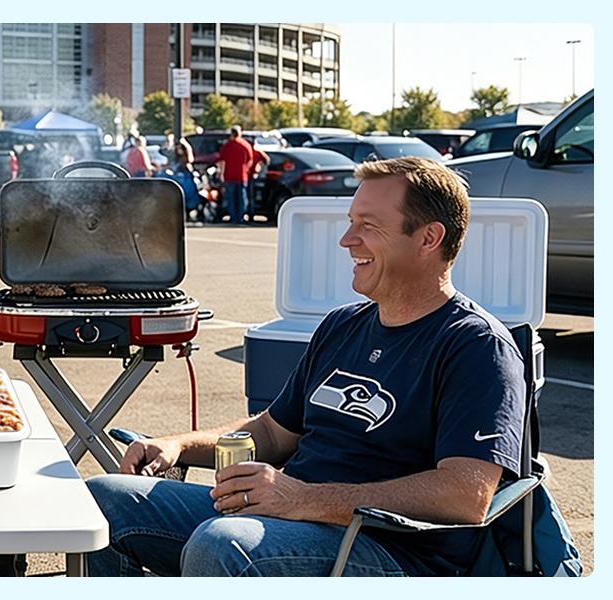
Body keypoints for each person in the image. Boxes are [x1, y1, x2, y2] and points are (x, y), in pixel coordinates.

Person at [86, 157, 526, 577]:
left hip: (392, 551)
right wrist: (178, 445)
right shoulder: (343, 325)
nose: (347, 240)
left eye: (368, 226)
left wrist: (304, 499)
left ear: (429, 238)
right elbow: (272, 433)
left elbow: (466, 494)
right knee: (102, 500)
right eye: (351, 222)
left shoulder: (476, 346)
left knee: (224, 545)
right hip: (290, 515)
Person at [215, 126, 264, 225]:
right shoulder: (245, 145)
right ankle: (241, 217)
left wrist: (221, 174)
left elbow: (222, 161)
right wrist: (246, 170)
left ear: (232, 134)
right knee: (242, 197)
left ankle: (233, 217)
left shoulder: (227, 146)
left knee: (231, 198)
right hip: (242, 176)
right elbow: (250, 160)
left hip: (229, 175)